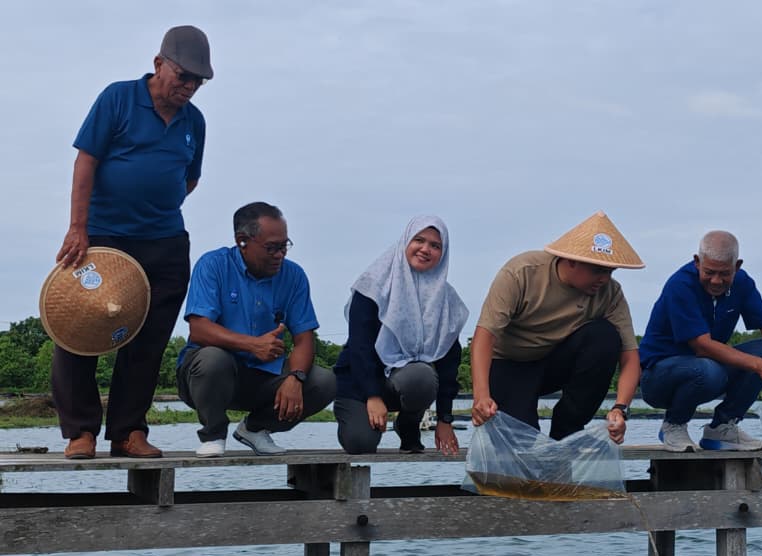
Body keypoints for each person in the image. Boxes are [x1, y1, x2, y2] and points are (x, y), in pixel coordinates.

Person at [52, 25, 213, 460]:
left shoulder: (193, 121)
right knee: (78, 325)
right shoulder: (118, 98)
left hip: (164, 242)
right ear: (159, 64)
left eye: (198, 81)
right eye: (183, 76)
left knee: (149, 337)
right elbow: (86, 161)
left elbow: (190, 178)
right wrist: (77, 227)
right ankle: (80, 431)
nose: (189, 87)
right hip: (102, 238)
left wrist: (155, 202)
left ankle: (127, 432)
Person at [639, 230, 762, 452]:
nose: (716, 281)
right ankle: (674, 425)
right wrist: (758, 365)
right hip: (660, 377)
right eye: (709, 272)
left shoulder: (742, 283)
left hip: (708, 371)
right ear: (697, 262)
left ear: (737, 266)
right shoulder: (680, 285)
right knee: (710, 369)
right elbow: (702, 346)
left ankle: (722, 427)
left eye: (724, 273)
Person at [176, 202, 336, 457]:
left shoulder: (294, 276)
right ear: (242, 241)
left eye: (284, 246)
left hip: (264, 377)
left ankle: (255, 428)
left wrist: (296, 378)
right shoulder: (213, 265)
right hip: (209, 378)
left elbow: (304, 339)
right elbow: (199, 330)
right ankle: (214, 434)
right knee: (213, 358)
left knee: (324, 382)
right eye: (272, 247)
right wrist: (252, 344)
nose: (280, 255)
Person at [471, 211, 644, 444]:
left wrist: (620, 408)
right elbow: (485, 336)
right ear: (571, 259)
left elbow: (630, 356)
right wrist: (481, 396)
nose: (604, 279)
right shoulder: (522, 272)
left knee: (604, 337)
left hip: (554, 363)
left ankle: (568, 428)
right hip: (508, 364)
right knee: (522, 442)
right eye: (597, 270)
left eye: (610, 271)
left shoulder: (610, 294)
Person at [334, 215, 468, 454]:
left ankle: (409, 423)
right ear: (406, 241)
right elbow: (360, 346)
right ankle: (358, 415)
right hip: (359, 383)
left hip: (404, 383)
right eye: (419, 240)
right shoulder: (373, 287)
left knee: (422, 375)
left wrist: (445, 419)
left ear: (443, 253)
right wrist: (373, 396)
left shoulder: (446, 300)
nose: (425, 249)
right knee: (360, 445)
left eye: (435, 245)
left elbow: (449, 364)